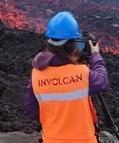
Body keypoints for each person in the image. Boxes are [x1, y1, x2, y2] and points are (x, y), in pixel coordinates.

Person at [25, 11, 109, 143]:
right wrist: (96, 55)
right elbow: (102, 81)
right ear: (72, 44)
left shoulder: (36, 74)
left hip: (52, 139)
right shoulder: (81, 73)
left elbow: (32, 110)